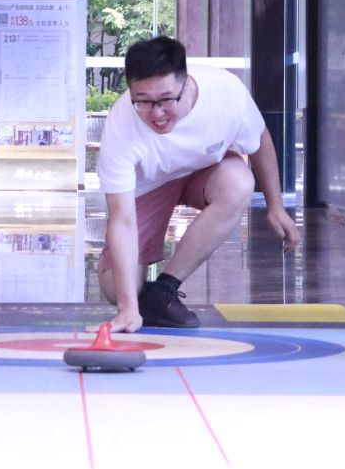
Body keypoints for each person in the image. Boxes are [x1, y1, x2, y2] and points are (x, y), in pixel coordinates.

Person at [97, 36, 299, 333]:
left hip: (205, 173)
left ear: (186, 83)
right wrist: (127, 308)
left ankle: (165, 288)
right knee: (118, 290)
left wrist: (275, 206)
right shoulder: (121, 124)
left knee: (239, 182)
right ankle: (140, 299)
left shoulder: (225, 93)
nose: (157, 113)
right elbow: (122, 219)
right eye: (143, 101)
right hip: (149, 186)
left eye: (167, 100)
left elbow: (259, 140)